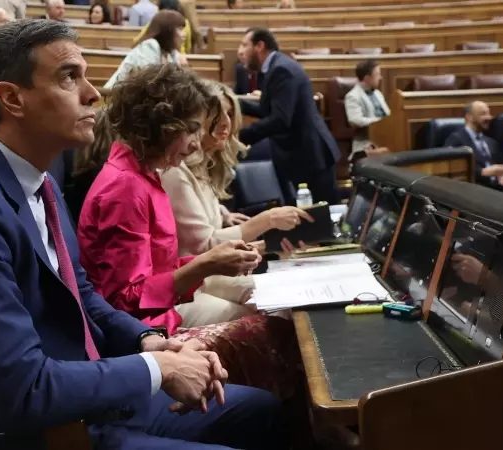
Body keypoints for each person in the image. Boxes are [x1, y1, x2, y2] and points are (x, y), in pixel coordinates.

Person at [0, 20, 285, 449]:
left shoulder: (41, 183)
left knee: (262, 412)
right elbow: (23, 388)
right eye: (69, 77)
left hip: (85, 399)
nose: (93, 93)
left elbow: (85, 297)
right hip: (39, 431)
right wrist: (157, 368)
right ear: (11, 98)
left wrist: (148, 340)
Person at [78, 66, 304, 411]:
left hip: (162, 316)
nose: (199, 143)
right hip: (144, 333)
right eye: (193, 129)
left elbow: (158, 270)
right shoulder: (125, 187)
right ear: (162, 126)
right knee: (280, 330)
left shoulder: (146, 176)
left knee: (281, 317)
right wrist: (205, 264)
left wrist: (209, 262)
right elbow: (125, 300)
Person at [161, 81, 313, 259]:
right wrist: (268, 219)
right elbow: (204, 248)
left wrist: (268, 246)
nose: (226, 122)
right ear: (198, 120)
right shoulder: (174, 171)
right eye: (218, 114)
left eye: (230, 114)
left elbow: (213, 247)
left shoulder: (204, 167)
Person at [237, 28, 342, 205]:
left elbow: (280, 119)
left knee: (323, 216)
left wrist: (241, 136)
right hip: (302, 155)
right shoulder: (276, 67)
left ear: (260, 46)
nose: (240, 51)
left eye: (245, 45)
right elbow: (267, 109)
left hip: (310, 156)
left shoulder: (281, 70)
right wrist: (235, 103)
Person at [104, 10, 186, 89]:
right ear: (167, 30)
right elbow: (148, 82)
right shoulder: (149, 46)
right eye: (180, 29)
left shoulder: (171, 53)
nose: (184, 34)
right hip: (115, 96)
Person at [443, 101, 503, 190]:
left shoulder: (491, 141)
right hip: (473, 190)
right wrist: (483, 172)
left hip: (499, 189)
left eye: (489, 113)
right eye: (483, 114)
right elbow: (453, 169)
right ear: (469, 117)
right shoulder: (456, 140)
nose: (489, 117)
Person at [344, 59, 391, 160]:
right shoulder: (353, 96)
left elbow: (389, 115)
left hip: (386, 137)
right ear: (367, 78)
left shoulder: (378, 94)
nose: (380, 78)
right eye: (377, 74)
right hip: (366, 142)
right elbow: (355, 120)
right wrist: (380, 122)